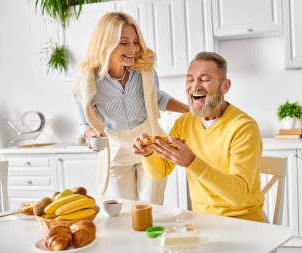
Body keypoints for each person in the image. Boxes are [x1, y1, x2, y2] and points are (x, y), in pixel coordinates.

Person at [132, 52, 265, 221]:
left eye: (204, 79)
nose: (195, 86)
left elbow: (238, 196)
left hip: (243, 222)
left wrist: (191, 162)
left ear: (225, 86)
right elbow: (159, 171)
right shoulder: (184, 122)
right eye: (190, 79)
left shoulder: (243, 127)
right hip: (201, 222)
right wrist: (148, 153)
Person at [73, 12, 188, 204]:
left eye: (135, 42)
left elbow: (155, 97)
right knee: (125, 210)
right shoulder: (87, 82)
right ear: (105, 43)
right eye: (124, 42)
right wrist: (92, 137)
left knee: (152, 208)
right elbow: (83, 123)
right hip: (116, 148)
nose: (133, 49)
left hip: (150, 141)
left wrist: (189, 109)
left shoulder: (143, 68)